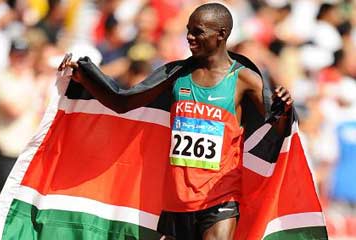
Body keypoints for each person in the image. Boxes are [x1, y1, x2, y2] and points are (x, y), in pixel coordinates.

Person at [60, 3, 293, 240]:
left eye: (198, 32)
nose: (189, 37)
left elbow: (277, 129)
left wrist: (285, 110)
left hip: (220, 196)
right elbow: (123, 102)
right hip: (178, 200)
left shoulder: (244, 79)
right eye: (188, 30)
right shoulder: (176, 74)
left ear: (221, 34)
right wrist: (86, 74)